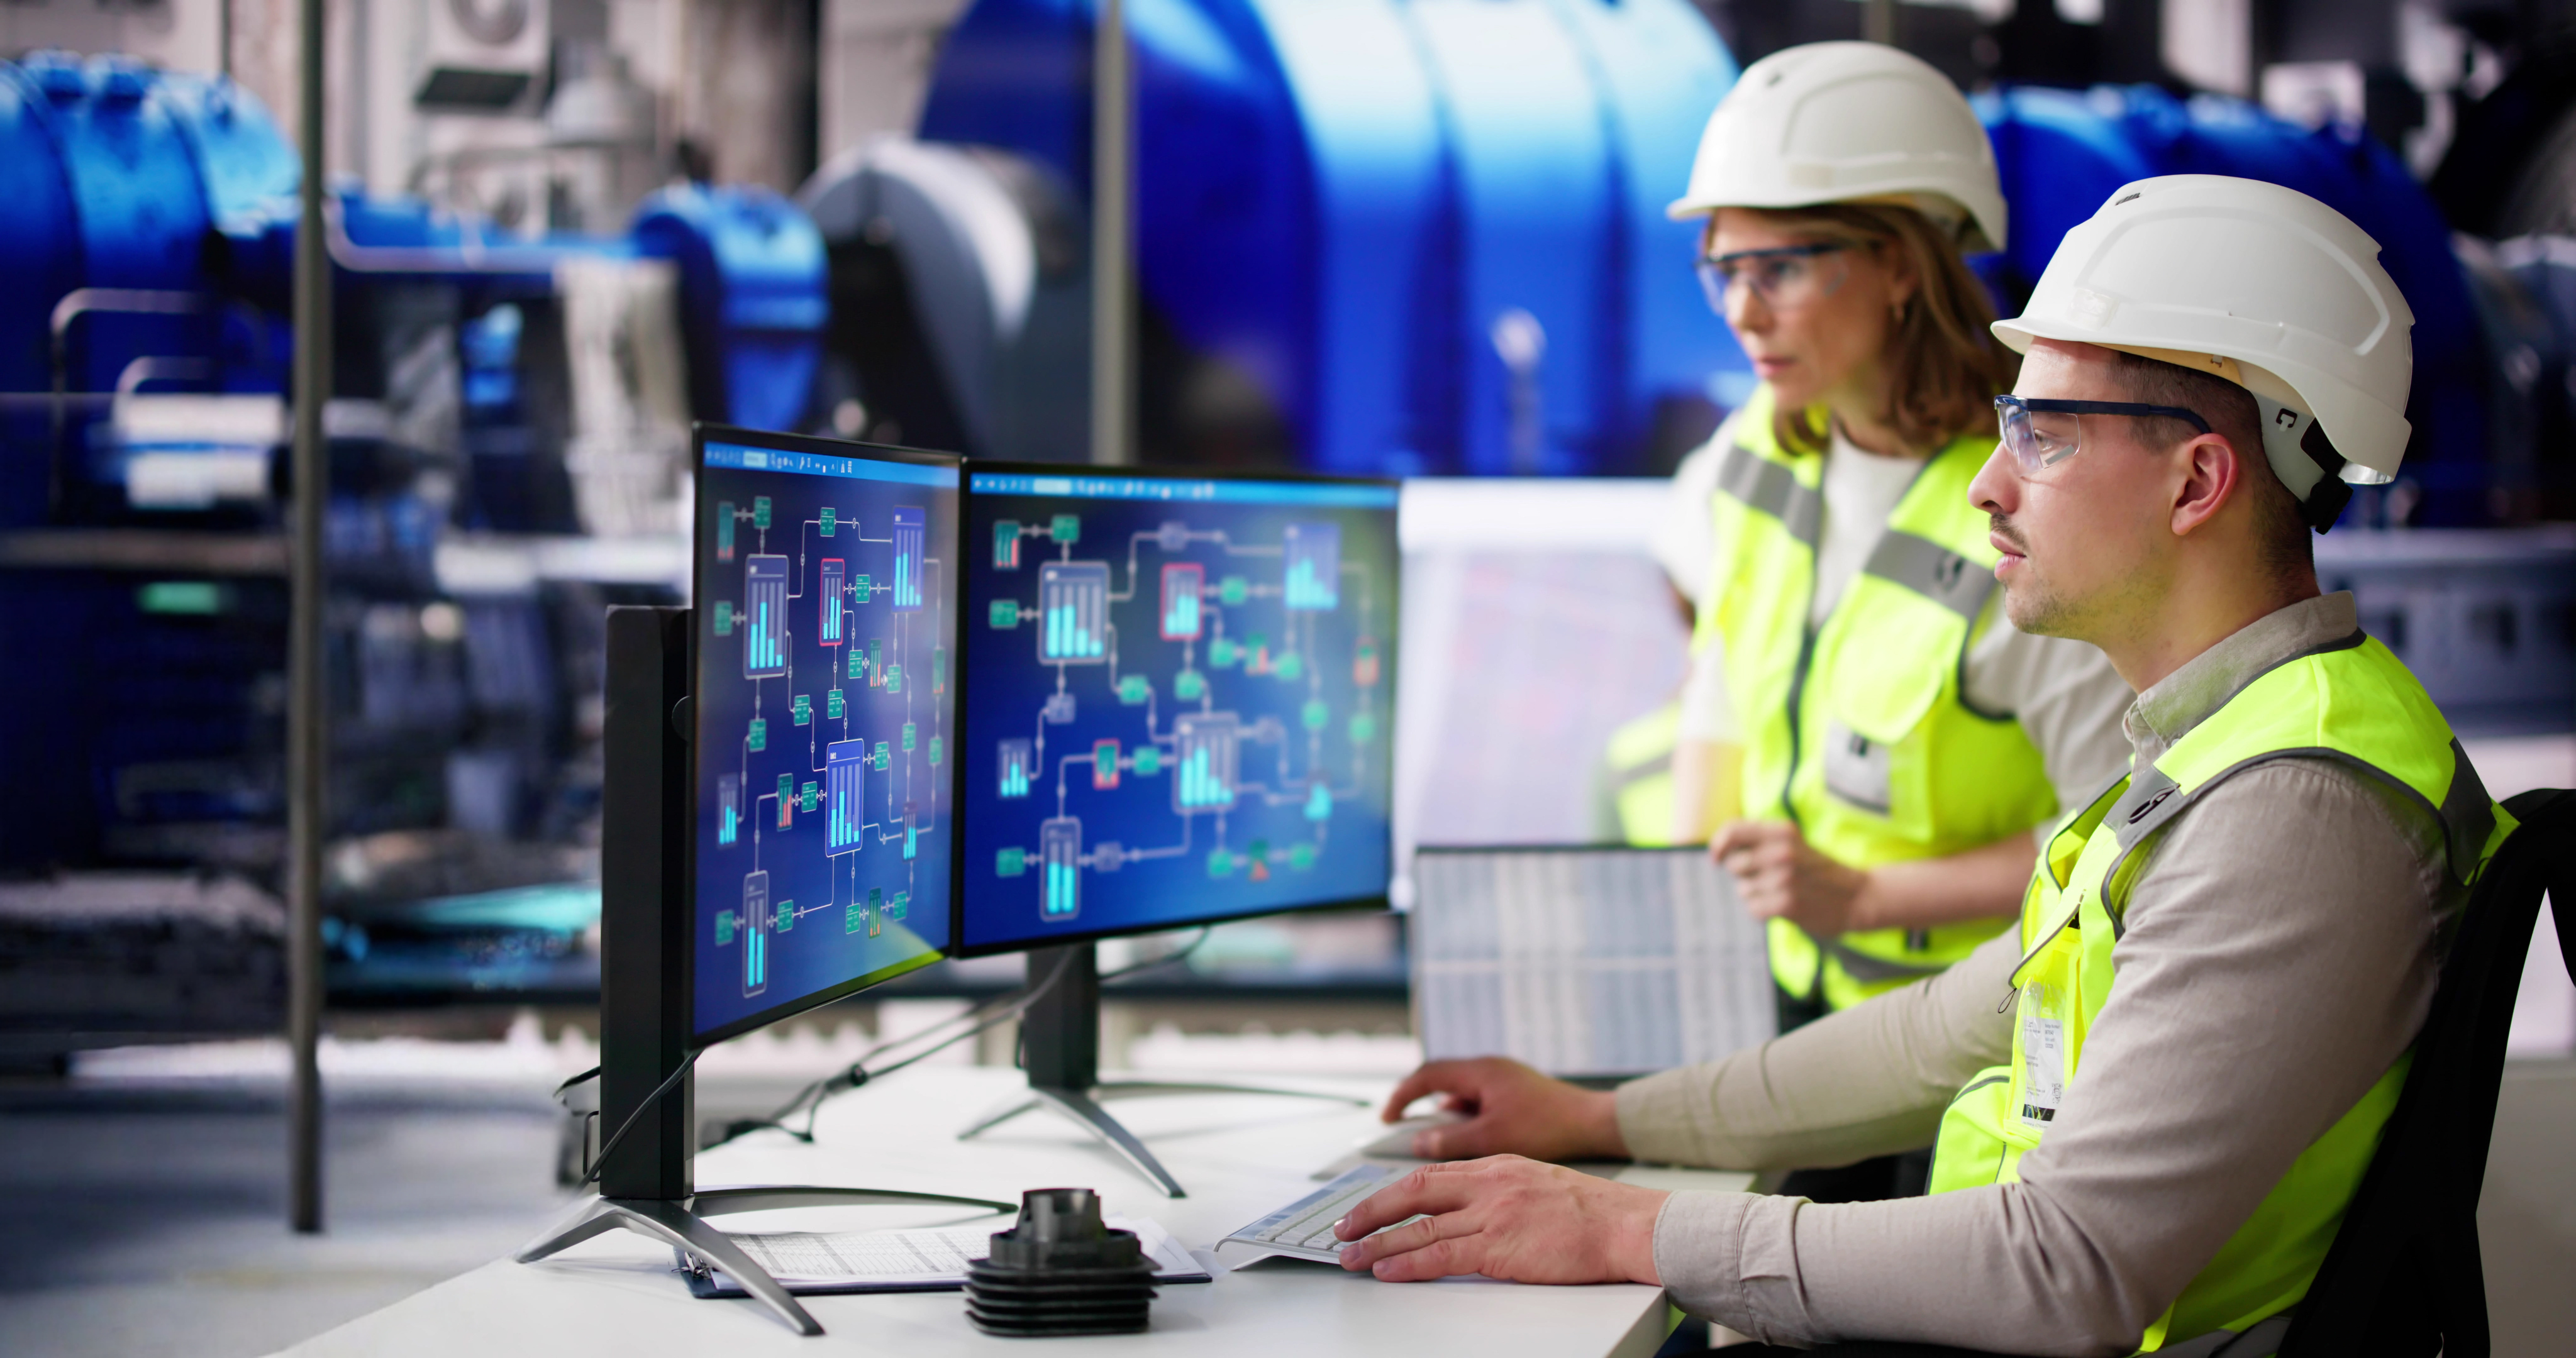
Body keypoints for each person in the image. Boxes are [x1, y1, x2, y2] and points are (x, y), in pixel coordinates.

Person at [1333, 174, 2514, 1356]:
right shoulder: (2218, 746)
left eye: (2042, 435)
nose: (1988, 486)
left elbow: (2070, 1268)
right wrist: (1595, 1116)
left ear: (2197, 481)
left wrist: (1622, 1228)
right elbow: (1937, 1033)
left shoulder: (2291, 806)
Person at [1659, 41, 2135, 1199]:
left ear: (1902, 265)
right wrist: (1676, 946)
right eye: (1723, 270)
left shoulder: (2030, 513)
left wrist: (1865, 897)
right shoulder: (1750, 459)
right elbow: (1719, 698)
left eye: (1783, 266)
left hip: (1957, 1058)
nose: (1744, 311)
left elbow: (2121, 851)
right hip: (1776, 1020)